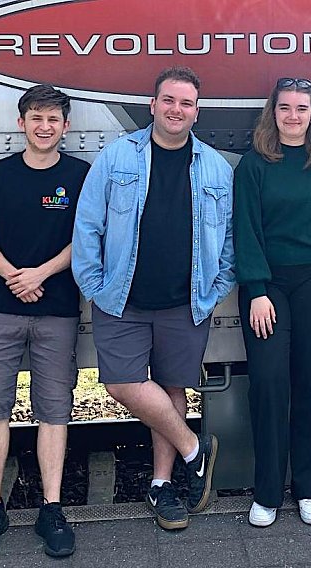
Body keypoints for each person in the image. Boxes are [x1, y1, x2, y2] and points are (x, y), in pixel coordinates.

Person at [72, 66, 234, 531]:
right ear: (153, 104)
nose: (176, 110)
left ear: (196, 111)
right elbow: (87, 225)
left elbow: (228, 241)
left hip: (185, 302)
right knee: (122, 383)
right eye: (168, 100)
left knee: (172, 388)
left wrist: (215, 286)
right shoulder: (118, 157)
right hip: (121, 299)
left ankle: (163, 486)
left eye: (186, 103)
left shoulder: (215, 167)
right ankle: (194, 449)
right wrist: (95, 286)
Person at [0, 84, 89, 560]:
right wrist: (15, 277)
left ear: (65, 126)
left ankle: (51, 509)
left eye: (53, 119)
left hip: (57, 307)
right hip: (1, 307)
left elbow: (87, 237)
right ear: (22, 123)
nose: (44, 126)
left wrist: (42, 273)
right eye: (36, 118)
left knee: (55, 407)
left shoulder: (80, 175)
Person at [233, 77, 311, 527]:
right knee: (267, 381)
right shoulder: (253, 165)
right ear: (273, 113)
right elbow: (244, 231)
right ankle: (267, 492)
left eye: (301, 109)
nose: (292, 116)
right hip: (267, 286)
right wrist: (255, 290)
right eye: (284, 108)